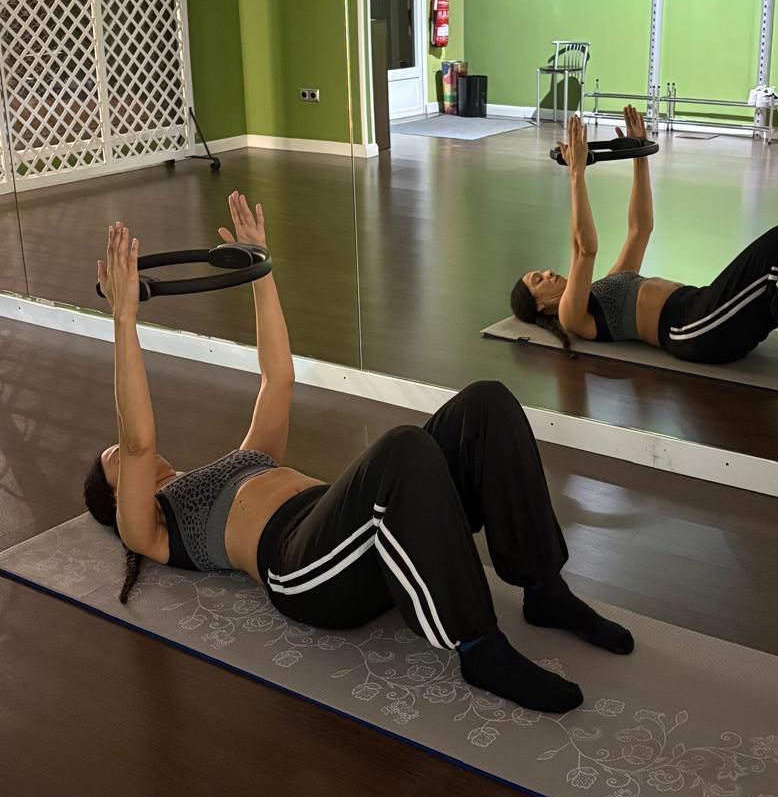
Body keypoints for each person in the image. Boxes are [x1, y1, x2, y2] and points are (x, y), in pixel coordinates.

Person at [84, 193, 635, 718]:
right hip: (306, 572)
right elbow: (138, 441)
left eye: (111, 452)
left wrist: (261, 270)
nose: (117, 452)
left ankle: (544, 589)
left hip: (363, 528)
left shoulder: (240, 459)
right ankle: (478, 646)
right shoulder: (148, 527)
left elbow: (278, 379)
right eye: (110, 461)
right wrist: (124, 320)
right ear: (116, 495)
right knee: (402, 448)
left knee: (484, 403)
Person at [511, 110, 778, 396]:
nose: (547, 273)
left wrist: (639, 157)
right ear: (542, 307)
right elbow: (584, 248)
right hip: (691, 331)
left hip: (705, 305)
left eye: (541, 271)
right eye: (538, 280)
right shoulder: (571, 314)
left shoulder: (607, 285)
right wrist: (576, 173)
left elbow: (640, 228)